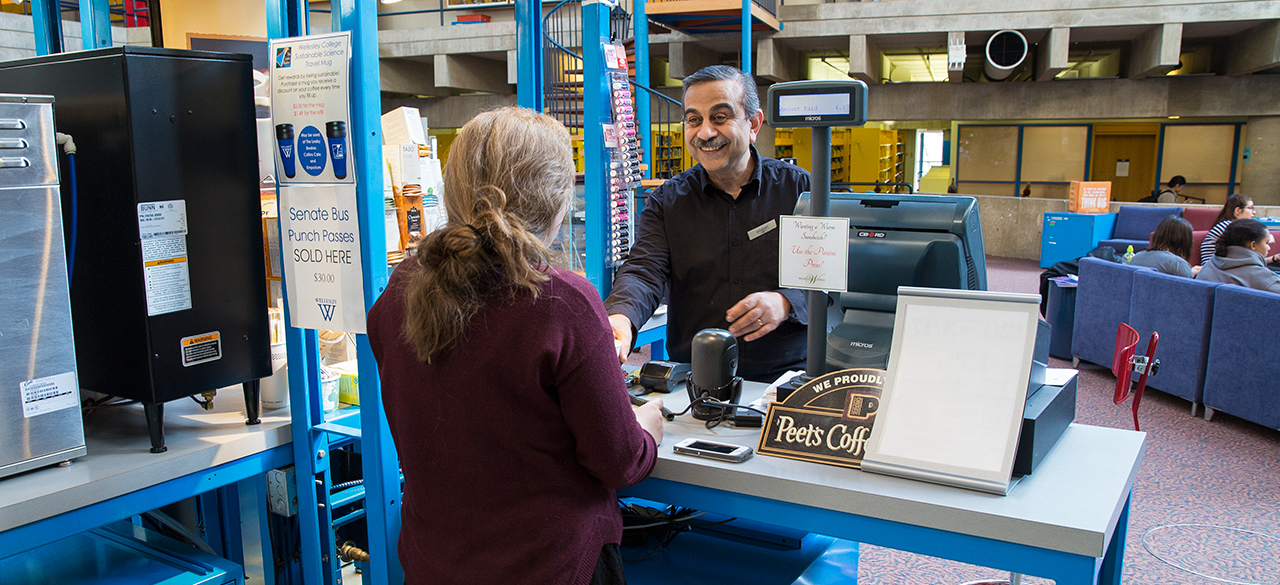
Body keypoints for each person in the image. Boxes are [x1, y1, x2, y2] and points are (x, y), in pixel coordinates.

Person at [367, 107, 665, 585]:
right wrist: (647, 426)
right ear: (558, 202)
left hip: (434, 565)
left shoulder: (399, 292)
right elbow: (619, 461)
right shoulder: (562, 302)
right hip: (550, 566)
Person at [604, 65, 812, 383]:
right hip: (695, 381)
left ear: (753, 123)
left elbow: (834, 279)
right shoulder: (666, 202)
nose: (705, 133)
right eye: (694, 120)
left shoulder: (802, 192)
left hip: (785, 378)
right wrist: (621, 317)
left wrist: (786, 302)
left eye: (719, 117)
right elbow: (643, 271)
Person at [1196, 219, 1280, 292]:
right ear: (1253, 245)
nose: (1268, 248)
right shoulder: (1264, 279)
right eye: (1266, 243)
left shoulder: (1209, 266)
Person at [1128, 215, 1198, 277]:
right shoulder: (1178, 264)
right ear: (1184, 241)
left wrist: (1188, 271)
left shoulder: (1136, 257)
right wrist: (1186, 270)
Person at [1199, 194, 1255, 266]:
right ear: (1238, 210)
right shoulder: (1229, 227)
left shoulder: (1229, 225)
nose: (1254, 212)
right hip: (1216, 268)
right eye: (1250, 208)